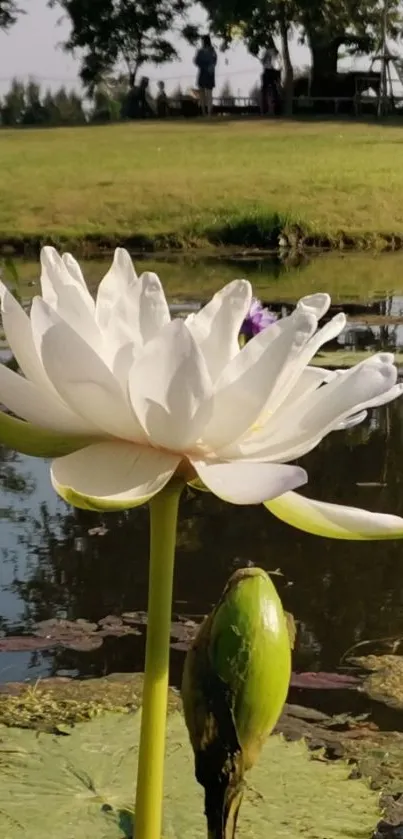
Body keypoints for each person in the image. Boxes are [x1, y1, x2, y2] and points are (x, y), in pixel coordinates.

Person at [194, 35, 217, 117]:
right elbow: (196, 61)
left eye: (203, 41)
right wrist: (204, 64)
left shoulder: (212, 51)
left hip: (209, 74)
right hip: (202, 73)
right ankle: (203, 111)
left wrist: (207, 64)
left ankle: (209, 112)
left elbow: (214, 61)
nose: (202, 42)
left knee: (209, 93)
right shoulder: (200, 51)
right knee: (202, 93)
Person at [260, 37, 281, 115]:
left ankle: (264, 109)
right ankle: (277, 109)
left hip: (268, 71)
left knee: (264, 90)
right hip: (275, 71)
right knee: (275, 90)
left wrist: (262, 60)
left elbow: (263, 61)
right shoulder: (276, 51)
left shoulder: (267, 51)